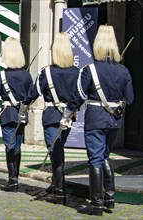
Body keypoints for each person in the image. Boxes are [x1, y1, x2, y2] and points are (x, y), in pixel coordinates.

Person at [60, 25, 134, 216]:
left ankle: (97, 204)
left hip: (95, 119)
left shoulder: (89, 70)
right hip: (114, 120)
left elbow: (77, 96)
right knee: (105, 156)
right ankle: (109, 197)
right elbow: (130, 98)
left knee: (95, 159)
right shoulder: (124, 71)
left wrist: (66, 115)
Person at [33, 32, 79, 205]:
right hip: (69, 117)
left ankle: (60, 192)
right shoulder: (77, 72)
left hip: (52, 117)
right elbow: (79, 95)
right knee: (58, 150)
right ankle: (56, 183)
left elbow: (34, 91)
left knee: (55, 151)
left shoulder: (46, 72)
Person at [0, 37, 34, 192]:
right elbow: (31, 95)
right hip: (21, 114)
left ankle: (12, 180)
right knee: (17, 147)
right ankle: (16, 178)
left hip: (8, 114)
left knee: (10, 146)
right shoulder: (26, 76)